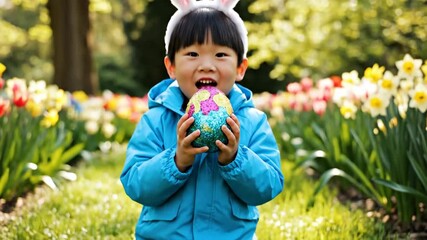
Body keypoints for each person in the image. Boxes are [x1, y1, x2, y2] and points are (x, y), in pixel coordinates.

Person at [120, 0, 284, 239]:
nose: (206, 65)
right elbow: (135, 183)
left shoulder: (252, 121)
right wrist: (177, 161)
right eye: (193, 54)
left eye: (220, 55)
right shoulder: (156, 120)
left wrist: (235, 159)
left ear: (240, 68)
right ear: (171, 66)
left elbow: (269, 185)